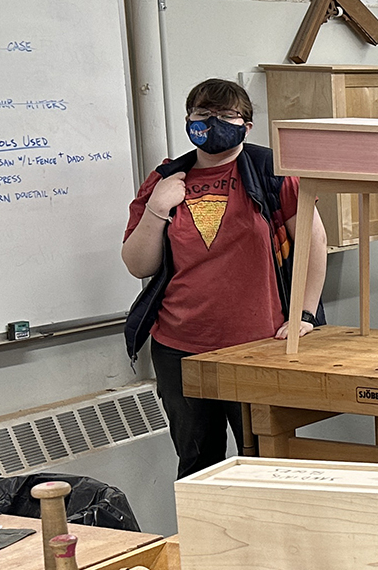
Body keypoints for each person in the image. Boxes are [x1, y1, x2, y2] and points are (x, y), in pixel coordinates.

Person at [123, 78, 324, 478]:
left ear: (246, 125)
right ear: (188, 120)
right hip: (180, 348)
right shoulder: (165, 179)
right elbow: (138, 264)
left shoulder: (271, 171)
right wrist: (157, 209)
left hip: (260, 345)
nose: (212, 122)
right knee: (198, 465)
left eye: (226, 115)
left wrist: (305, 314)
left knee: (268, 462)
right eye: (202, 113)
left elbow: (313, 243)